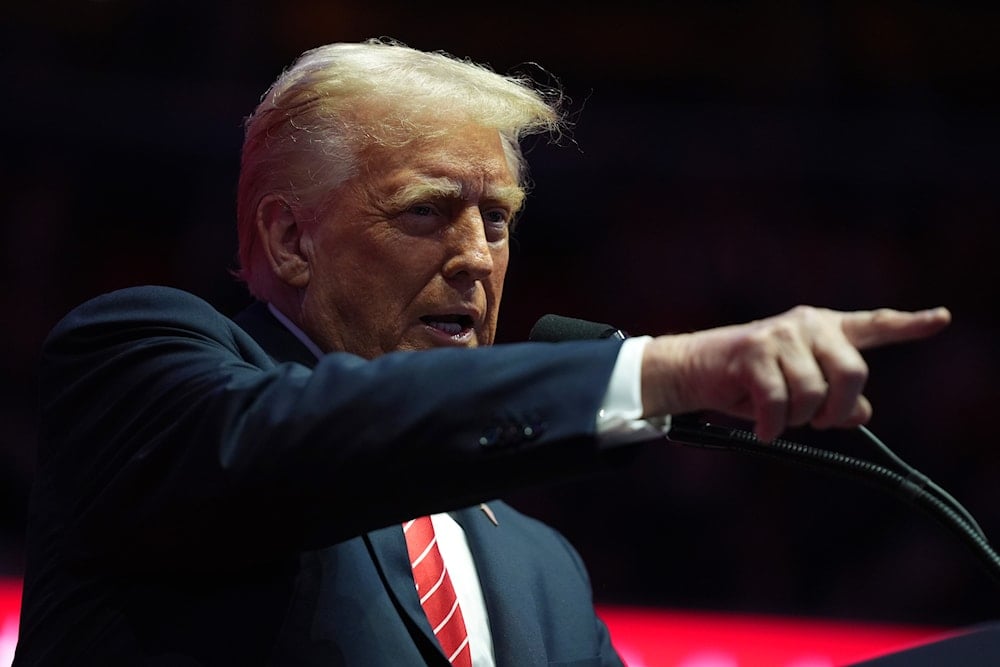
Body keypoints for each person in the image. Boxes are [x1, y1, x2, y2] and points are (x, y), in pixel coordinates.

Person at [13, 38, 951, 666]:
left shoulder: (538, 569)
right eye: (426, 211)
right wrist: (663, 371)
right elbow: (297, 439)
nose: (474, 257)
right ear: (292, 239)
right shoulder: (137, 360)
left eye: (496, 220)